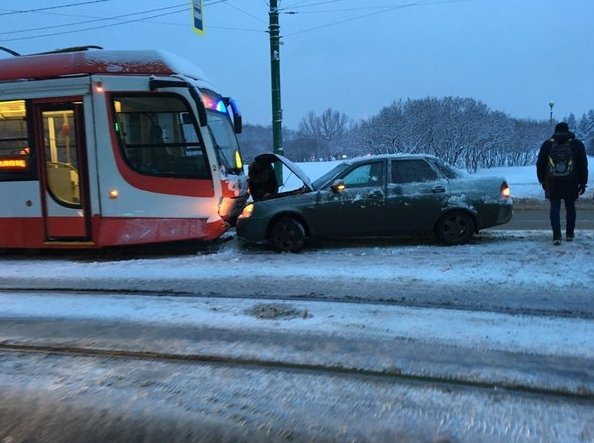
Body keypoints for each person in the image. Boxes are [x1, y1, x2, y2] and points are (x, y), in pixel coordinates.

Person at [537, 122, 588, 245]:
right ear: (568, 130)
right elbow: (583, 165)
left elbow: (540, 164)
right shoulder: (576, 144)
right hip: (571, 181)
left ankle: (556, 236)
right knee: (570, 207)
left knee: (554, 207)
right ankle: (569, 234)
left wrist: (542, 180)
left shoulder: (547, 144)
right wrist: (583, 182)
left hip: (552, 182)